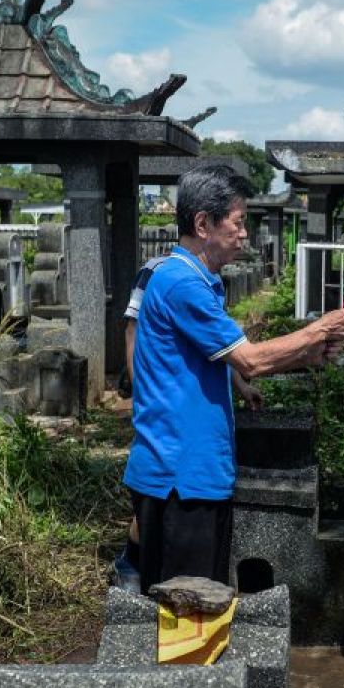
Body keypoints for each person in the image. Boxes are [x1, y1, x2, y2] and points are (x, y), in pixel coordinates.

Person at [125, 165, 344, 591]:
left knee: (197, 603)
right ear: (203, 224)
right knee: (185, 607)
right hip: (181, 476)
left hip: (193, 471)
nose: (245, 233)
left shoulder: (199, 281)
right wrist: (318, 330)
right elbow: (249, 358)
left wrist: (309, 353)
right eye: (238, 222)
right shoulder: (181, 283)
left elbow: (228, 360)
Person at [110, 252, 264, 593]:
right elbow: (134, 333)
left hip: (192, 438)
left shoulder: (206, 279)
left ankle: (136, 564)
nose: (241, 237)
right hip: (163, 423)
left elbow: (215, 346)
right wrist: (143, 395)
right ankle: (130, 562)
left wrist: (240, 385)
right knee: (156, 501)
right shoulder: (159, 274)